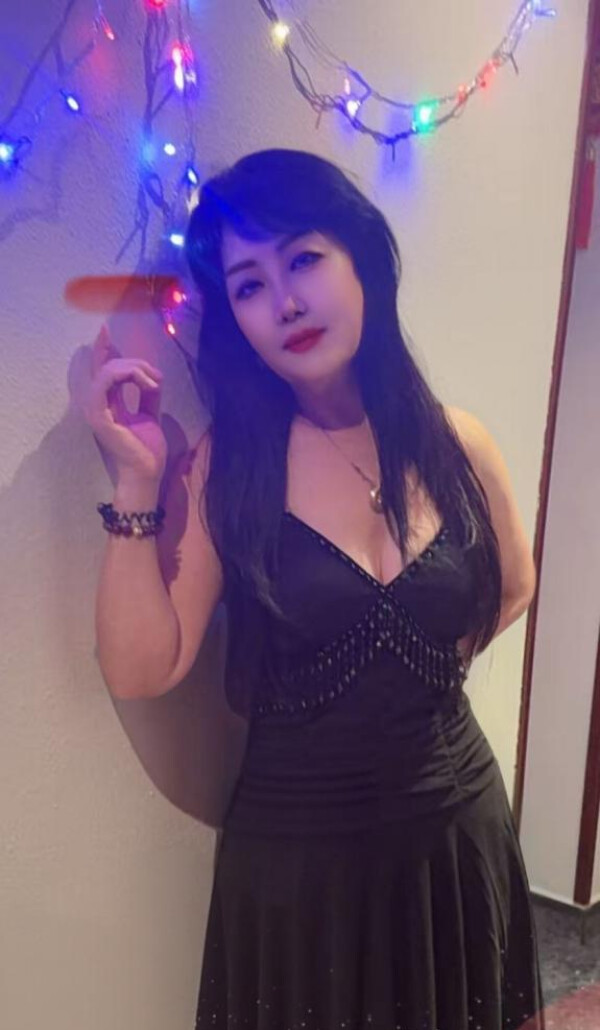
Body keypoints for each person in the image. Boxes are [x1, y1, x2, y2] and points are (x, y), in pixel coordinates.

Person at [85, 149, 545, 1030]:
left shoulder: (457, 443)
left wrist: (411, 676)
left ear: (361, 258)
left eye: (303, 258)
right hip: (300, 868)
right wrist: (138, 480)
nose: (286, 302)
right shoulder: (231, 467)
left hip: (455, 836)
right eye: (250, 285)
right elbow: (146, 667)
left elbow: (514, 584)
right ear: (234, 317)